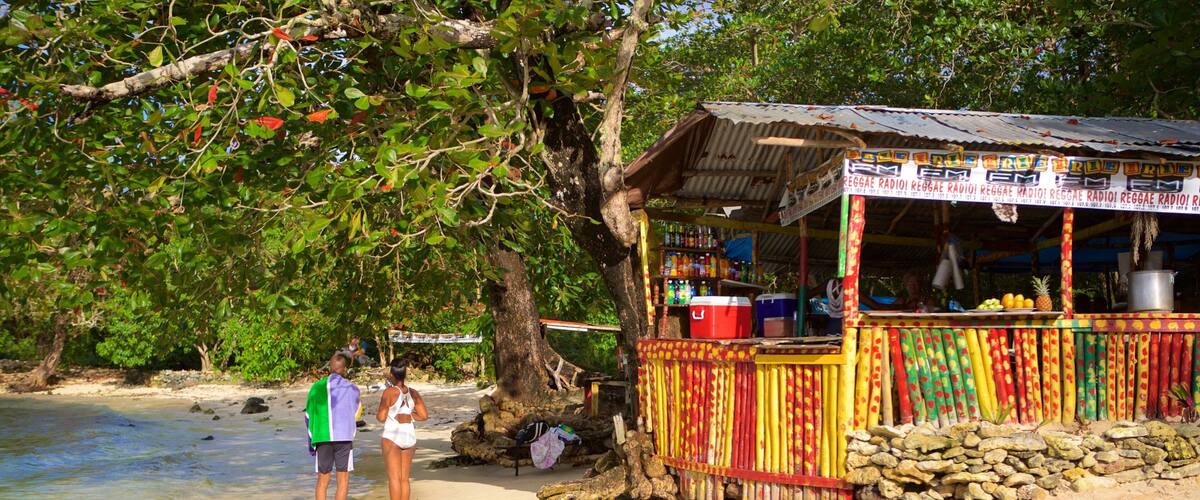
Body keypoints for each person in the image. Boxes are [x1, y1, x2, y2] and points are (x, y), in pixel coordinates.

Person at [305, 353, 362, 500]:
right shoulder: (352, 388)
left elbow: (308, 416)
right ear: (344, 369)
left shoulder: (316, 388)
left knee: (323, 480)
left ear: (330, 367)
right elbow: (356, 413)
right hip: (344, 437)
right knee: (343, 480)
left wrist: (311, 442)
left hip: (322, 436)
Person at [377, 358, 428, 500]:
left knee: (394, 479)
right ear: (404, 374)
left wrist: (388, 409)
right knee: (404, 479)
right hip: (409, 436)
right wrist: (408, 414)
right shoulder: (414, 392)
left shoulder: (389, 392)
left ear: (392, 375)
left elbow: (381, 417)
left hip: (392, 436)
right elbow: (424, 416)